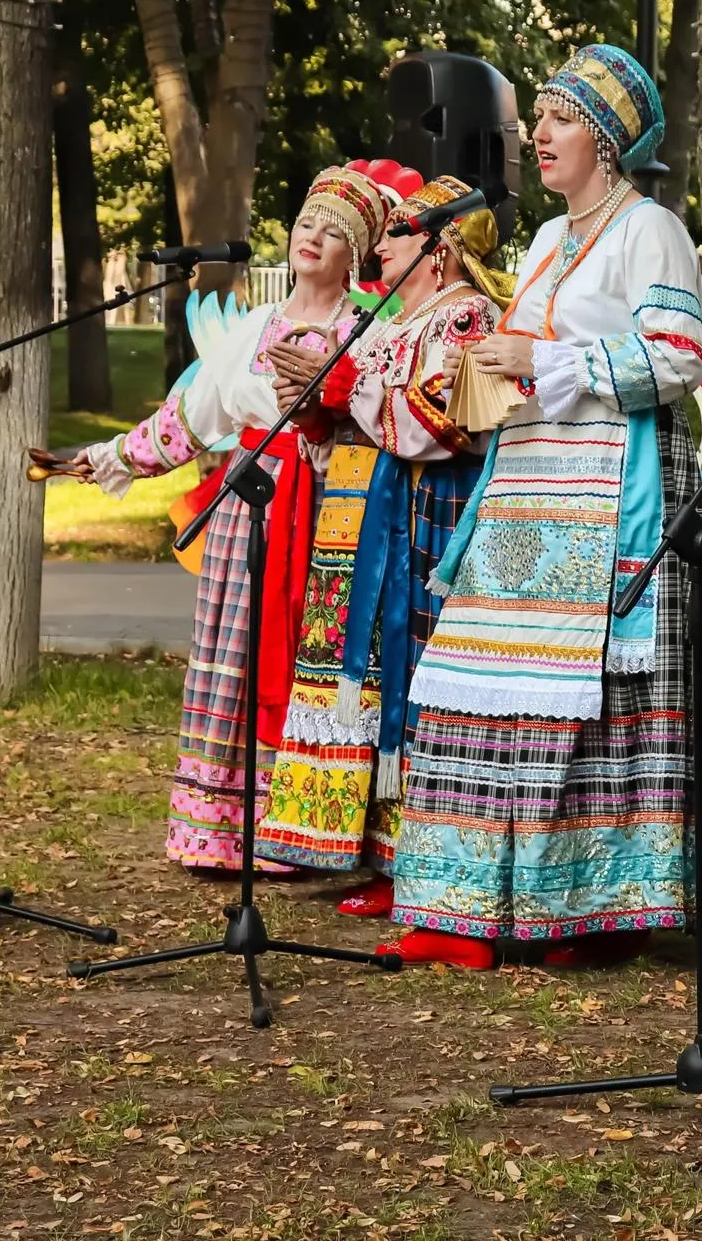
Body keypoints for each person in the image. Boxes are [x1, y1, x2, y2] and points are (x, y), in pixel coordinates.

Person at [385, 44, 702, 970]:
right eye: (537, 119)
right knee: (488, 682)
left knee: (591, 701)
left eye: (562, 120)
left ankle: (587, 908)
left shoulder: (649, 230)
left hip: (610, 484)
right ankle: (465, 906)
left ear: (610, 141)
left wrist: (544, 362)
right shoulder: (544, 242)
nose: (538, 135)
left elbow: (679, 358)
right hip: (528, 481)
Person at [78, 165, 391, 872]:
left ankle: (303, 828)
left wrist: (322, 413)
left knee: (305, 657)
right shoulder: (255, 326)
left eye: (332, 232)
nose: (312, 238)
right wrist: (109, 459)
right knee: (235, 655)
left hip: (323, 516)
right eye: (306, 225)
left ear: (356, 254)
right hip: (245, 503)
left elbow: (376, 431)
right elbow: (191, 419)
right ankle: (221, 829)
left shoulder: (365, 334)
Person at [253, 175, 513, 923]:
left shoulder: (464, 317)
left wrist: (342, 391)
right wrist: (318, 421)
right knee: (359, 679)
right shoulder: (394, 324)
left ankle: (414, 860)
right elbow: (362, 421)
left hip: (417, 526)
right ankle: (370, 848)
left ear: (439, 250)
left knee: (406, 680)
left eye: (397, 231)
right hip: (360, 520)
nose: (381, 245)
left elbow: (451, 422)